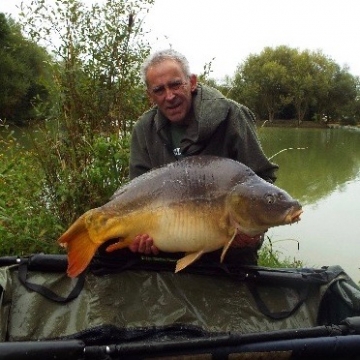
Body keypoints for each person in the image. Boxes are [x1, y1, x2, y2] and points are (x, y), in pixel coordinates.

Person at [127, 48, 278, 264]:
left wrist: (254, 231)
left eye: (175, 84)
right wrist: (139, 238)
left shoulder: (232, 116)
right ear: (150, 95)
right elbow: (137, 193)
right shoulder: (143, 130)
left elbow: (263, 180)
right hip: (171, 251)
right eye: (159, 90)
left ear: (192, 82)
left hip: (231, 251)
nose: (169, 96)